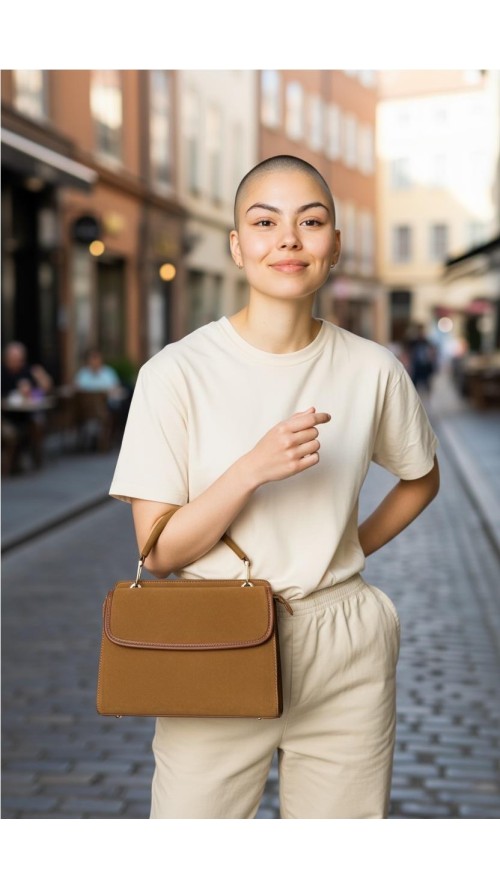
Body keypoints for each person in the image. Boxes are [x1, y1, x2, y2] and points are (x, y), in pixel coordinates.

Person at [110, 155, 440, 819]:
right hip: (216, 638)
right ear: (237, 245)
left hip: (344, 641)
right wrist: (252, 468)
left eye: (310, 221)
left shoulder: (373, 369)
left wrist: (351, 544)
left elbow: (419, 478)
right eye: (264, 222)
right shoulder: (174, 374)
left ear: (334, 244)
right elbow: (159, 551)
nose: (288, 239)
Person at [1, 341, 53, 471]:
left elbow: (44, 390)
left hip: (26, 414)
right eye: (13, 359)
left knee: (38, 425)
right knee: (10, 433)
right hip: (5, 417)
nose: (16, 363)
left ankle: (35, 458)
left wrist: (41, 376)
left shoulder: (27, 371)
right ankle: (10, 464)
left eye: (19, 360)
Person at [405, 323, 438, 394]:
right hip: (417, 366)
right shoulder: (413, 342)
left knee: (426, 384)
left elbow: (432, 353)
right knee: (415, 384)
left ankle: (427, 397)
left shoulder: (427, 342)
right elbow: (408, 352)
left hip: (425, 366)